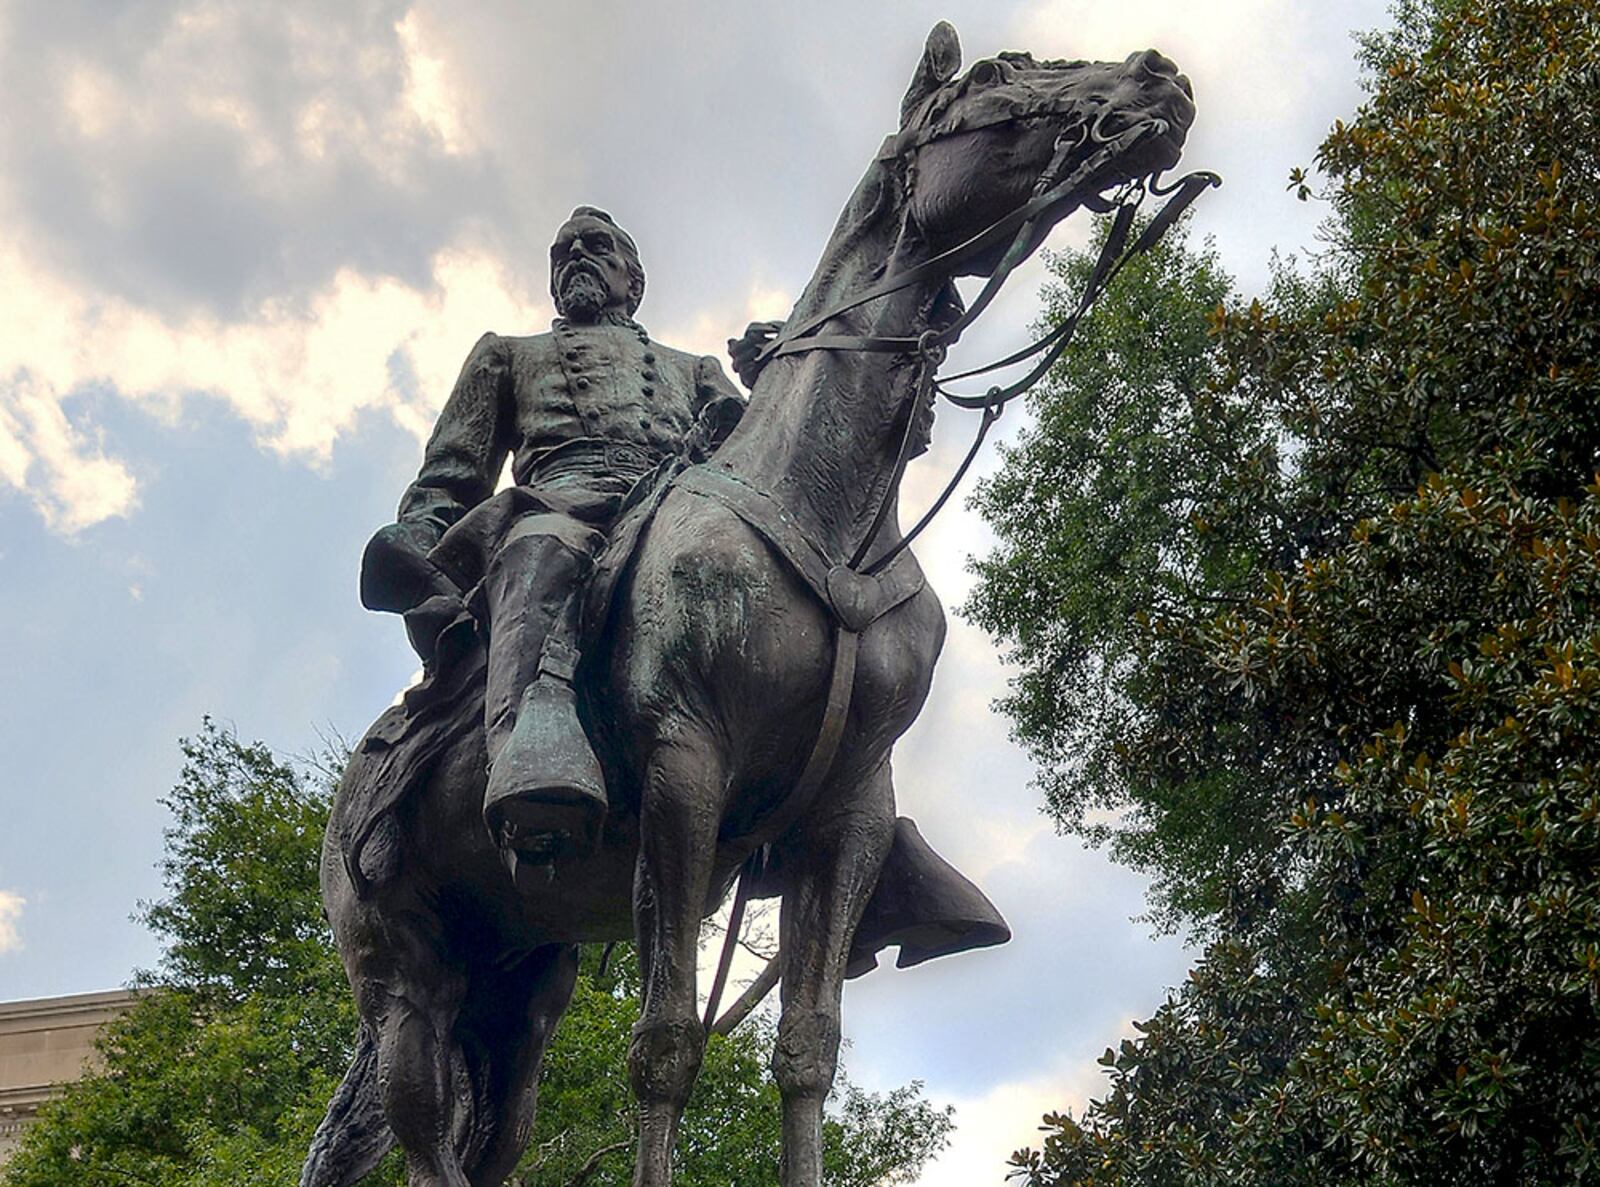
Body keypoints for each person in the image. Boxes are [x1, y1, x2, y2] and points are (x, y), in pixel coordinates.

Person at [359, 206, 744, 868]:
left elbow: (762, 461)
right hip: (556, 504)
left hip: (682, 508)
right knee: (538, 549)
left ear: (635, 279)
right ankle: (525, 762)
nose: (574, 259)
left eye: (595, 248)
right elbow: (451, 476)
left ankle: (864, 829)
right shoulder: (508, 356)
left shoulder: (697, 369)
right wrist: (420, 547)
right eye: (561, 253)